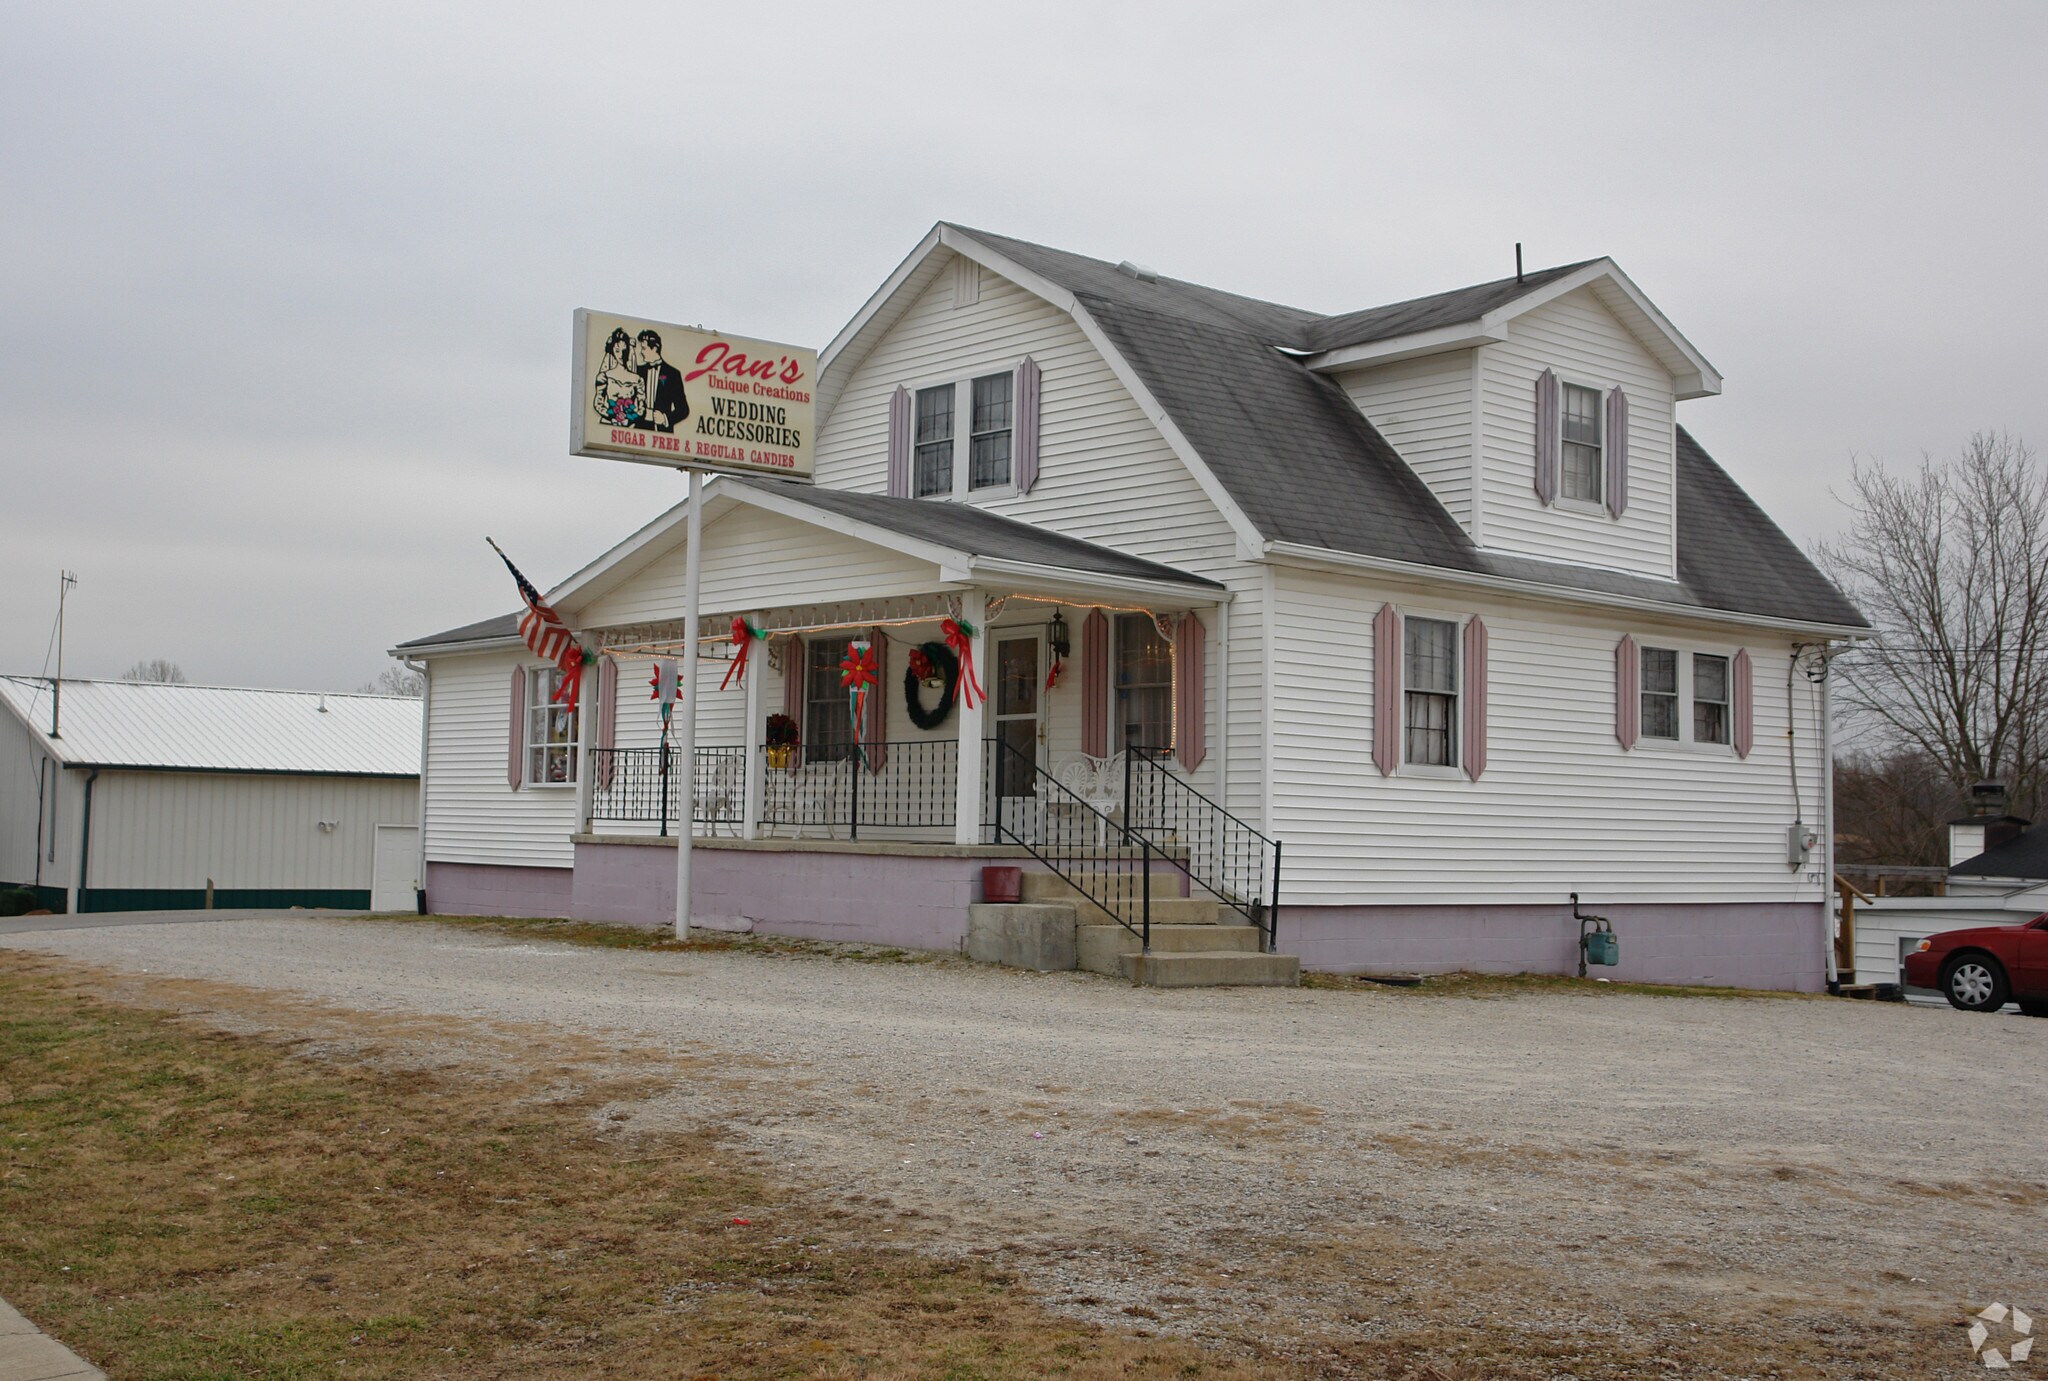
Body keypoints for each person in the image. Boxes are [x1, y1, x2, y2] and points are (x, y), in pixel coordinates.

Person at [633, 329, 689, 433]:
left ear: (654, 348)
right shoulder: (638, 371)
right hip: (639, 430)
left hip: (662, 432)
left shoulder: (672, 374)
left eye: (644, 348)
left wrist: (665, 418)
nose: (641, 352)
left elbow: (683, 409)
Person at [593, 327, 643, 426]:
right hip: (607, 425)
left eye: (624, 350)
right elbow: (598, 403)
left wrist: (631, 418)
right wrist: (611, 416)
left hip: (630, 427)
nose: (621, 355)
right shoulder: (604, 376)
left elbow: (642, 406)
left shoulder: (637, 379)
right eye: (617, 350)